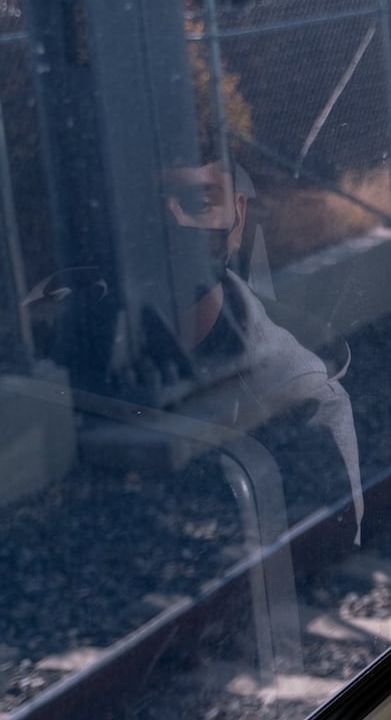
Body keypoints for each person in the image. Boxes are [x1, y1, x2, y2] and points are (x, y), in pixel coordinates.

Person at [30, 157, 365, 544]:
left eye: (198, 205)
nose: (173, 224)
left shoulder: (292, 374)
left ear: (237, 216)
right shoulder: (84, 334)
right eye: (152, 207)